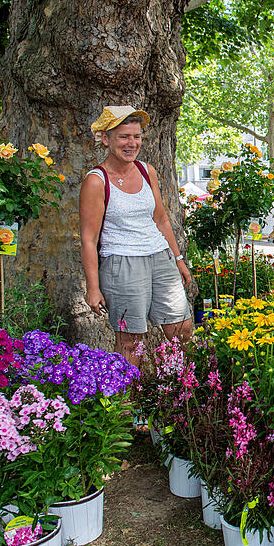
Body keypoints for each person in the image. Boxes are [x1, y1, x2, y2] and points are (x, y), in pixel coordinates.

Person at [80, 106, 193, 363]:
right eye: (124, 136)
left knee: (181, 330)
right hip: (122, 263)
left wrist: (178, 259)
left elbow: (161, 219)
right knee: (131, 342)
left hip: (160, 257)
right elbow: (89, 239)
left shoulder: (146, 171)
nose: (132, 143)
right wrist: (93, 288)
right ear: (106, 139)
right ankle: (130, 390)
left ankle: (180, 384)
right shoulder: (97, 181)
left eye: (136, 136)